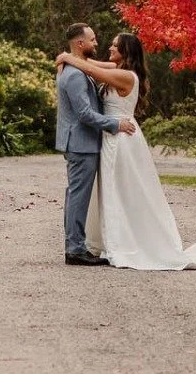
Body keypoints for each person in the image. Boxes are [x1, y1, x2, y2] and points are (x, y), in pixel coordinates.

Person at [61, 32, 196, 271]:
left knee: (122, 190)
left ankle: (126, 242)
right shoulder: (117, 68)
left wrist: (66, 56)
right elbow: (90, 64)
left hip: (121, 138)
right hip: (111, 135)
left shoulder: (126, 75)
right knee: (111, 190)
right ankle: (111, 240)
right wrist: (70, 58)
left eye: (115, 46)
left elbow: (91, 69)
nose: (109, 48)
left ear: (125, 52)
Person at [55, 23, 136, 266]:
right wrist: (115, 124)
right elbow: (85, 115)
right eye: (92, 40)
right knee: (78, 196)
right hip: (81, 143)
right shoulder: (75, 75)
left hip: (82, 142)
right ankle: (75, 250)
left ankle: (76, 246)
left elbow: (107, 67)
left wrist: (67, 57)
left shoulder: (77, 69)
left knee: (75, 195)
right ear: (81, 44)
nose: (97, 44)